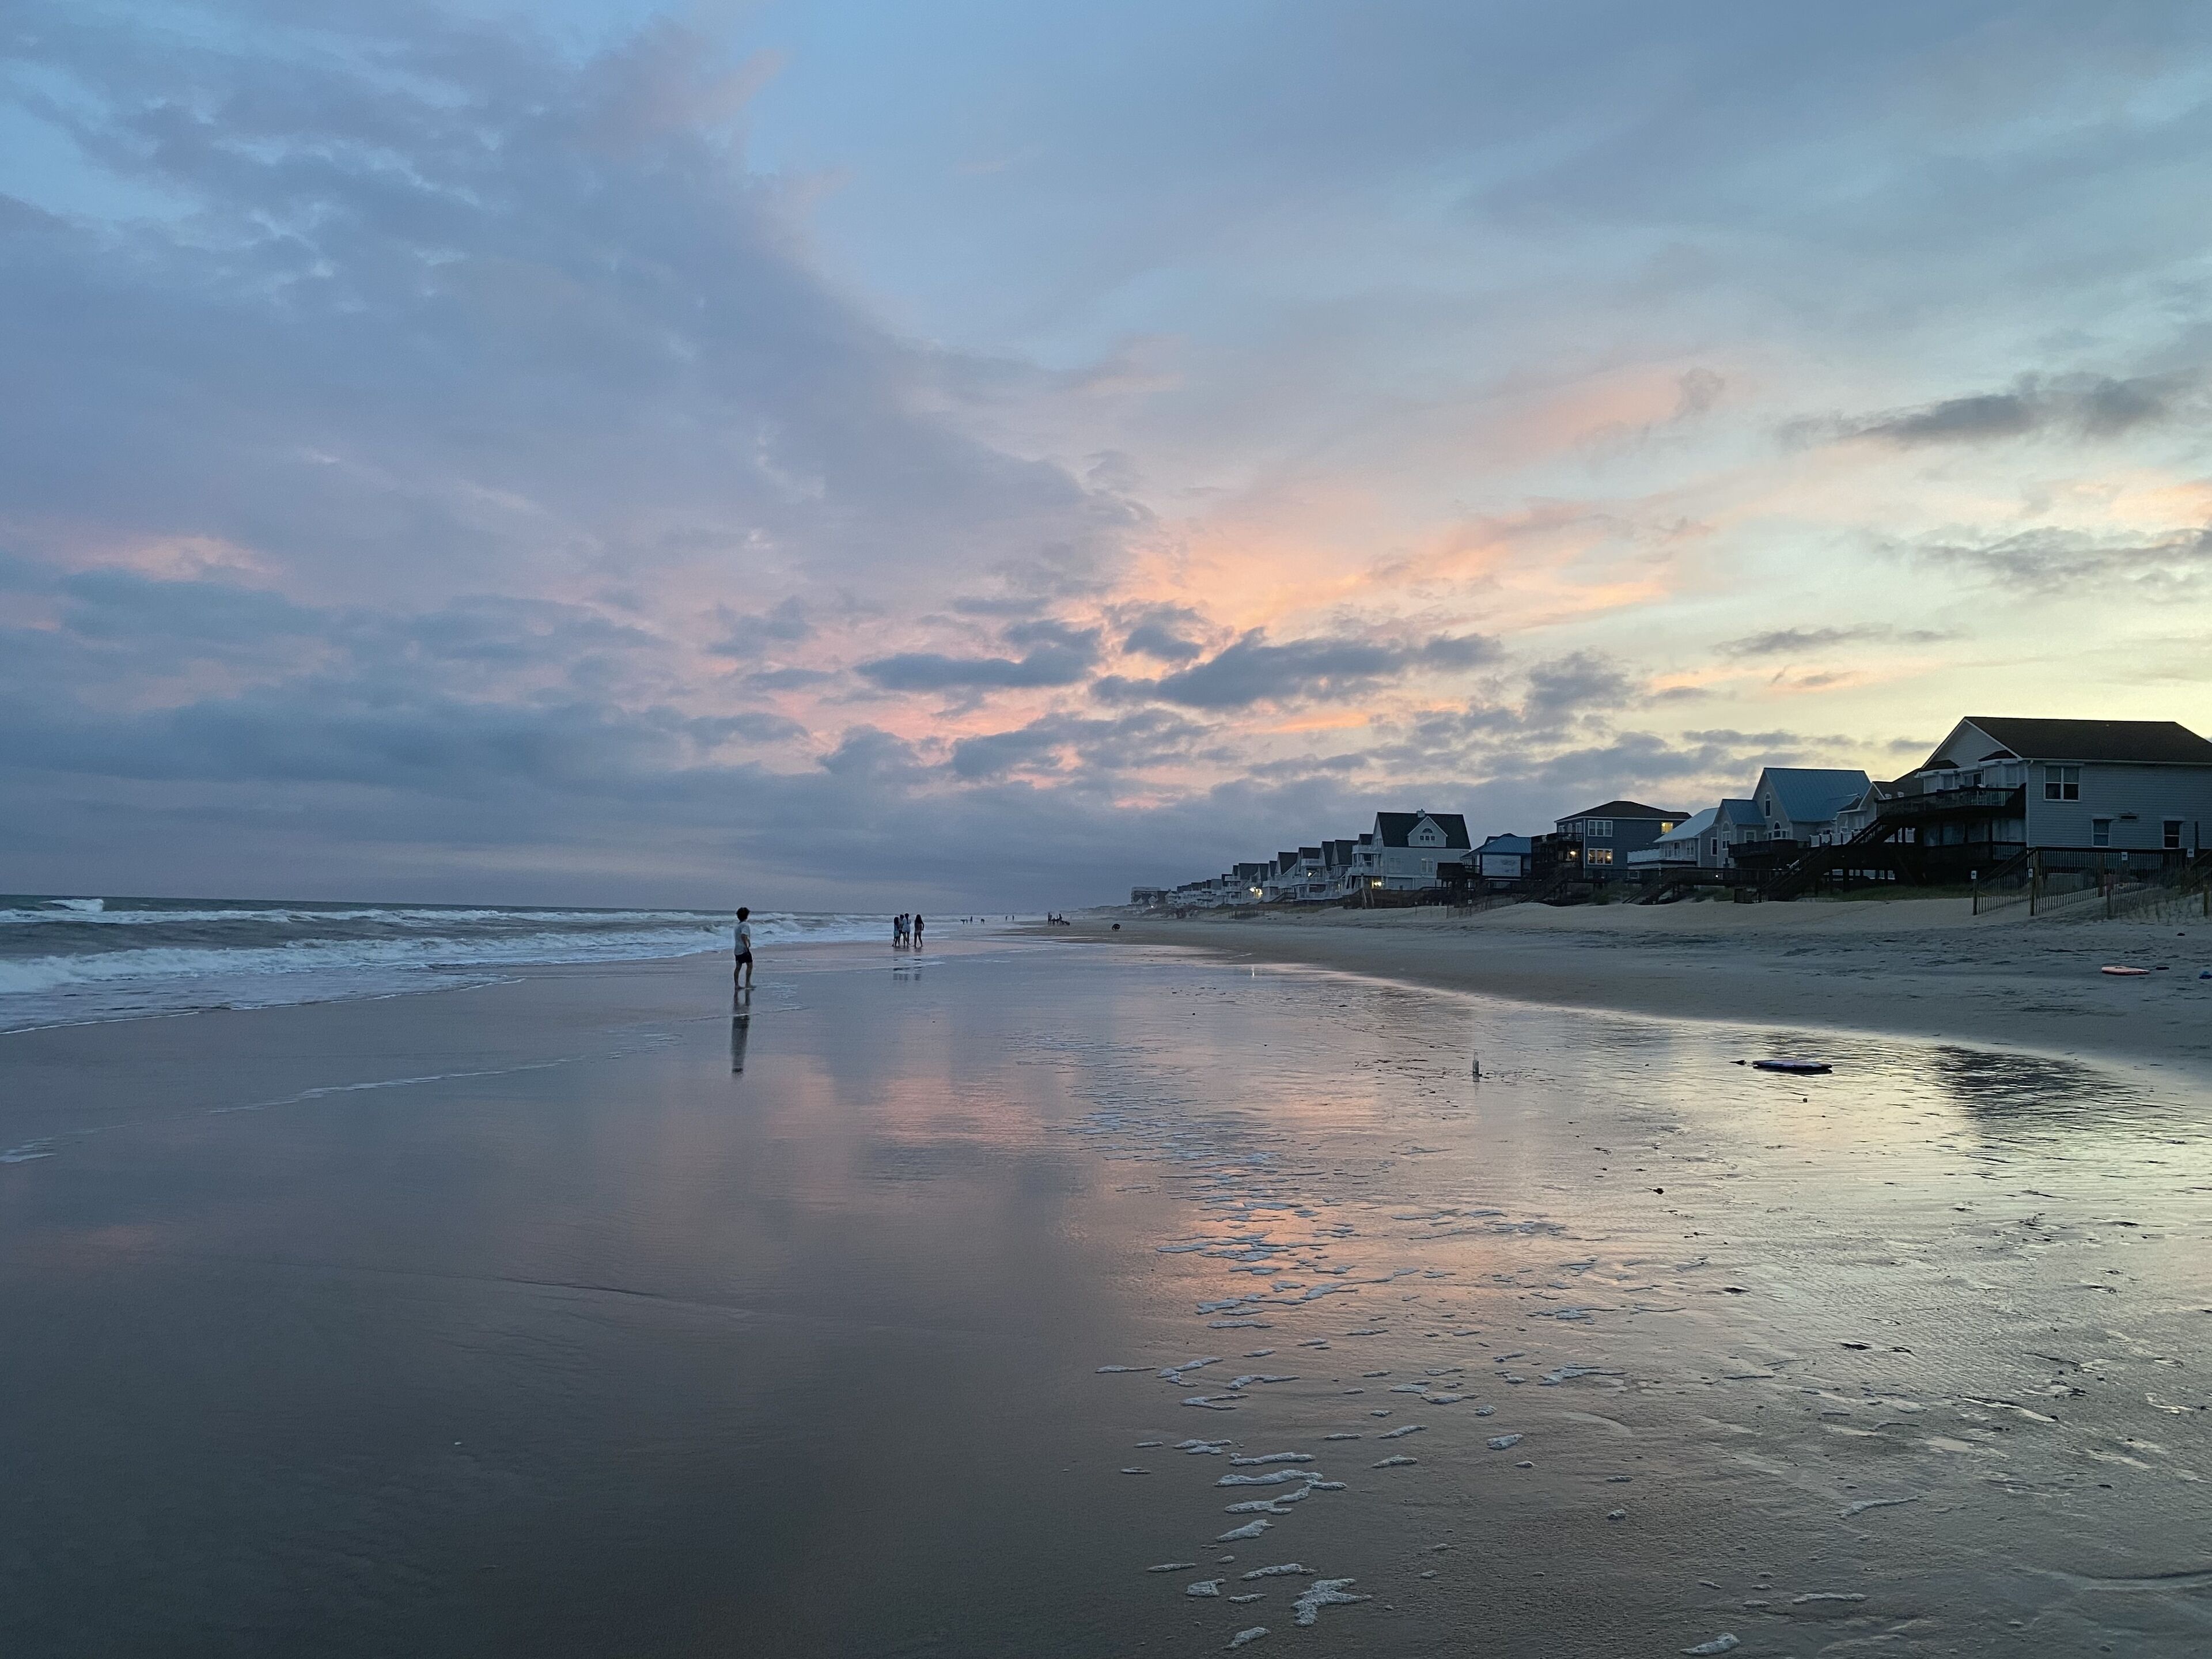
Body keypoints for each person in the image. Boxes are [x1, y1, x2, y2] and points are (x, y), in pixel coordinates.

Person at [733, 906, 755, 990]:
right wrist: (747, 945)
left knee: (738, 967)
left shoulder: (737, 926)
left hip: (737, 949)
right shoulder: (745, 925)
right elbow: (744, 935)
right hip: (743, 949)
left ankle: (737, 985)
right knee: (750, 965)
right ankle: (748, 983)